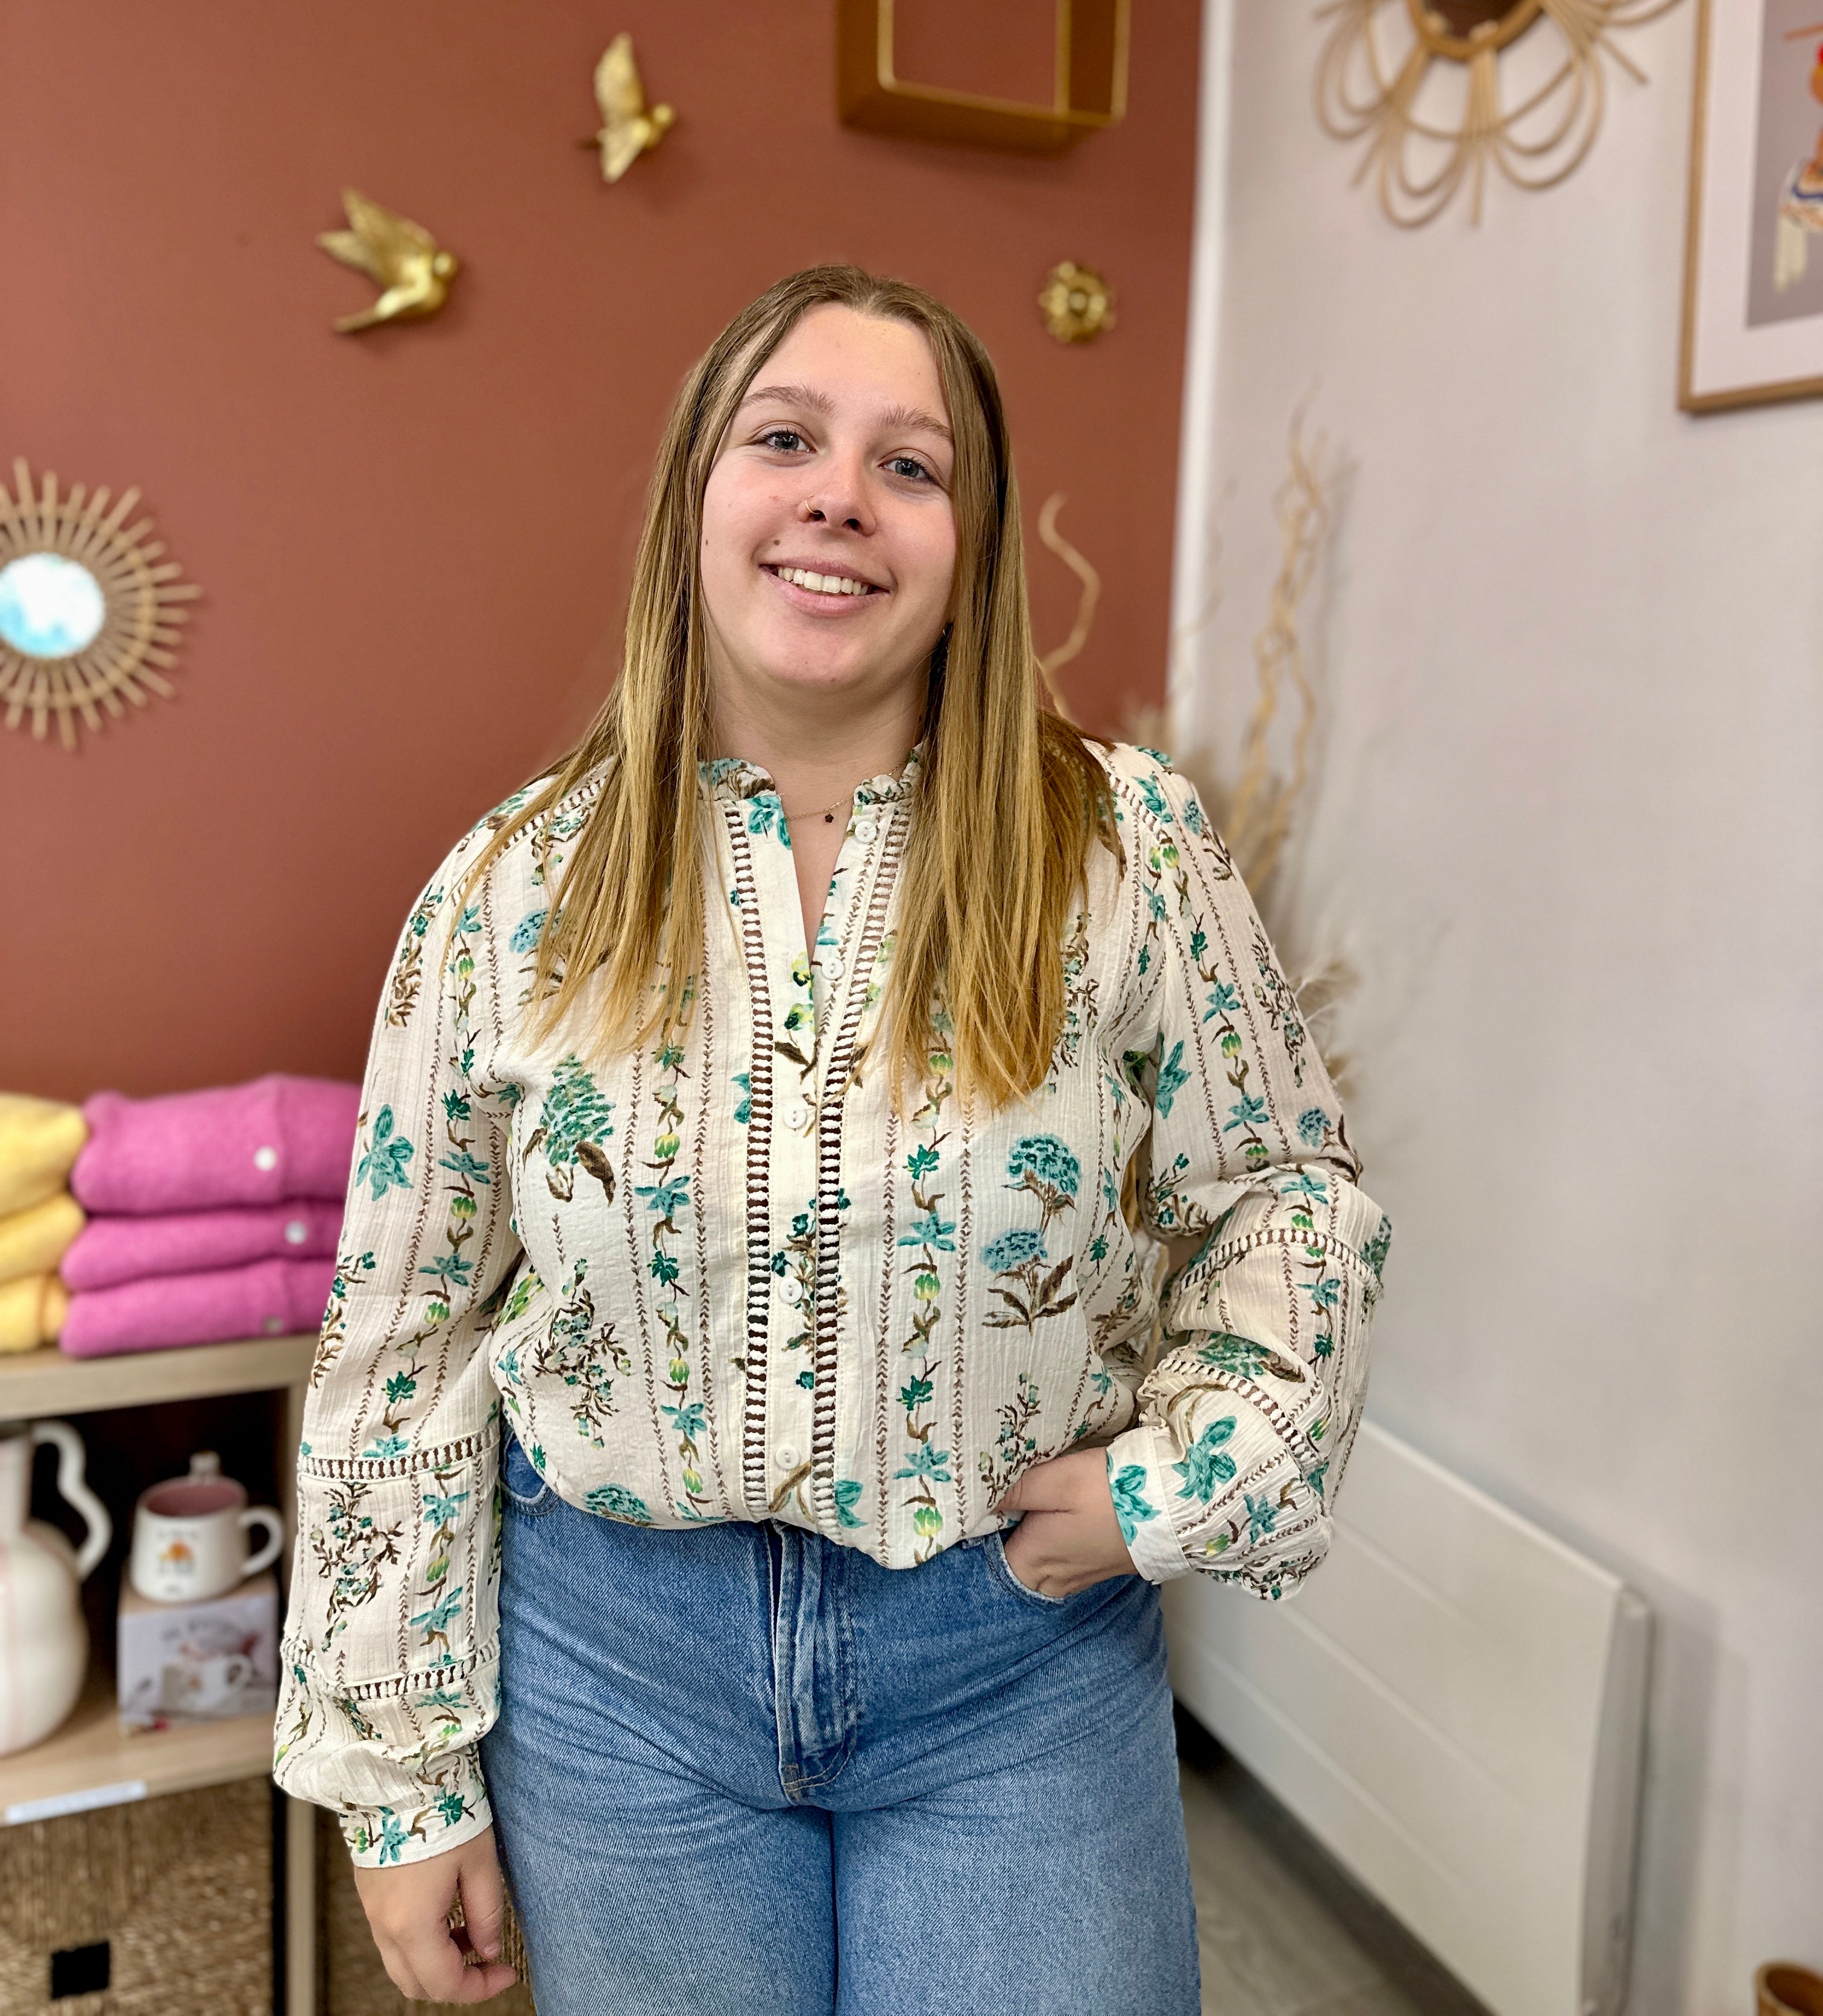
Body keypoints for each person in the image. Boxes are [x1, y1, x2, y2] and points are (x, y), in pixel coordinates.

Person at [274, 263, 1390, 2014]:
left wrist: (1189, 1474)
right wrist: (396, 1778)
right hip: (610, 1678)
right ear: (695, 501)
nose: (839, 499)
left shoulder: (1130, 856)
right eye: (785, 437)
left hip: (1013, 1665)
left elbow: (1283, 1195)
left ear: (970, 546)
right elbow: (396, 1342)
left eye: (913, 466)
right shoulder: (510, 894)